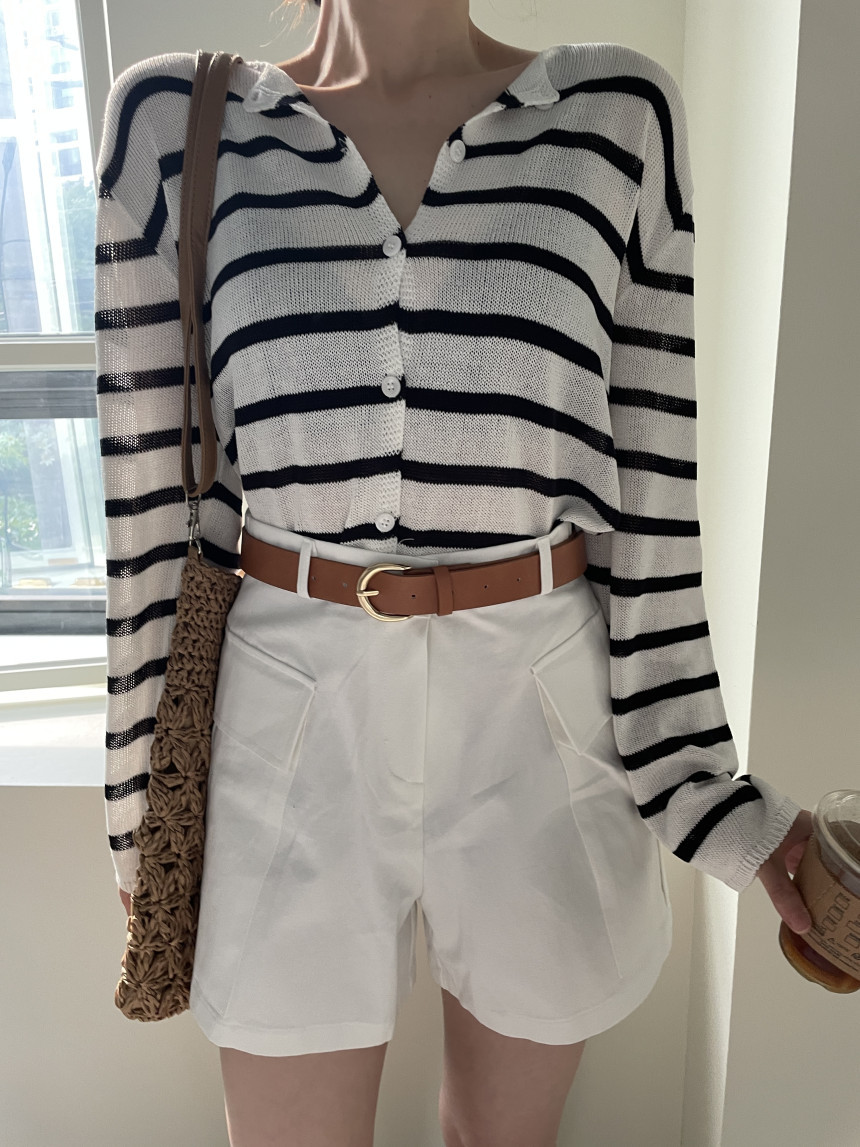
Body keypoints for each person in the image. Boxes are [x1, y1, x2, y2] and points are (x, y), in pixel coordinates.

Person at [95, 1, 814, 1143]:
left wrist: (716, 804)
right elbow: (144, 505)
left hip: (538, 703)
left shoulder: (616, 117)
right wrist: (142, 804)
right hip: (288, 709)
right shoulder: (175, 123)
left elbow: (652, 498)